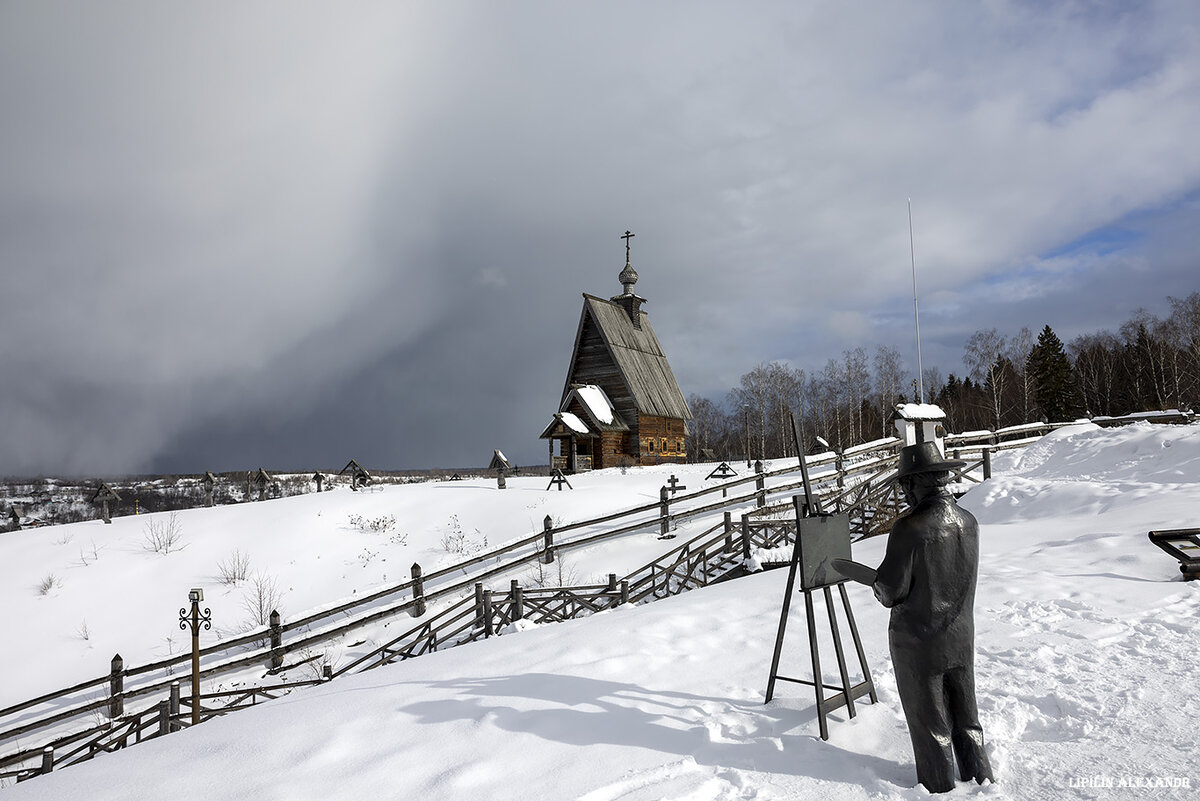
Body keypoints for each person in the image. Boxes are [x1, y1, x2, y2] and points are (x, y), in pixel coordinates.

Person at [872, 441, 994, 793]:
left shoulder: (910, 528)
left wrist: (878, 585)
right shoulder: (968, 521)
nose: (904, 493)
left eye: (904, 485)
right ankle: (980, 776)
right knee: (967, 719)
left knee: (930, 725)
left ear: (914, 482)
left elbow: (891, 591)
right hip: (961, 636)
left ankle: (939, 788)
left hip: (919, 643)